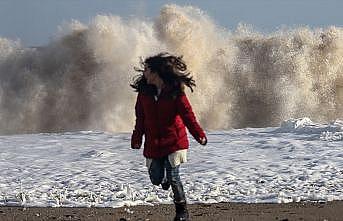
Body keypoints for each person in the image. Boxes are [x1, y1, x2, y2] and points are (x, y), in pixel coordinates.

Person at [130, 52, 207, 221]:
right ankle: (163, 178)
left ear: (156, 72)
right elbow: (140, 118)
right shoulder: (144, 93)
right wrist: (137, 138)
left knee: (174, 176)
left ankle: (182, 211)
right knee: (157, 179)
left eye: (147, 70)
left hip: (174, 141)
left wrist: (199, 135)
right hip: (154, 143)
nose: (144, 73)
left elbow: (188, 115)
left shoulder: (174, 92)